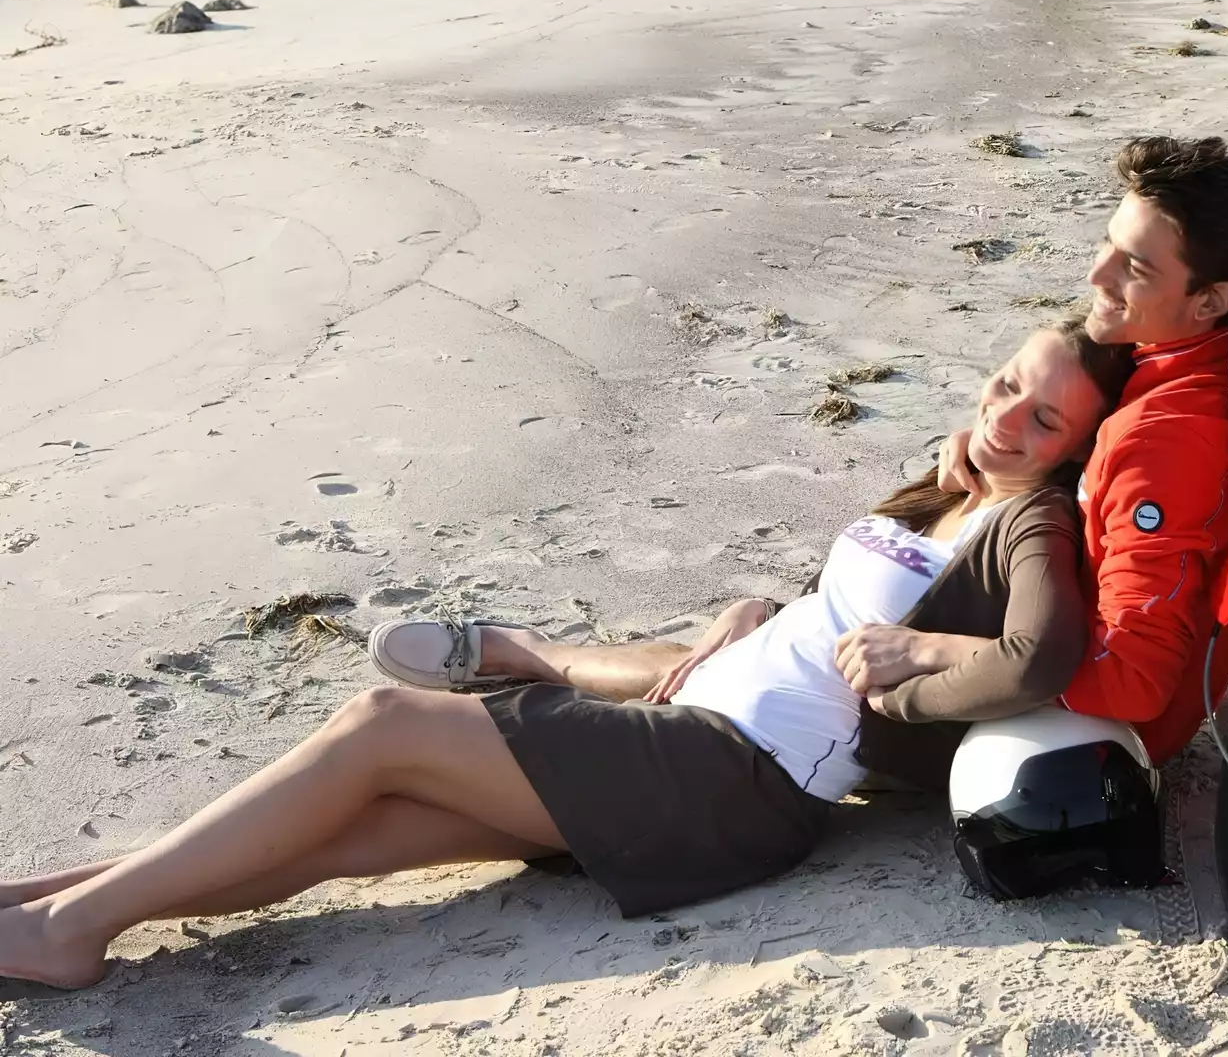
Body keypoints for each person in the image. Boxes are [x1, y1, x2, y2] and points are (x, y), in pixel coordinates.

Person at [0, 319, 1131, 991]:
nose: (1008, 419)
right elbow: (837, 611)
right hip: (690, 749)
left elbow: (1040, 658)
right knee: (359, 832)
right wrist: (762, 607)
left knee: (381, 726)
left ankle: (65, 933)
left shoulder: (1028, 522)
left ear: (1078, 451)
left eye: (1046, 421)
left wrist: (918, 652)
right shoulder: (953, 487)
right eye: (1007, 385)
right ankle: (64, 899)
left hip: (728, 777)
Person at [937, 136, 1228, 766]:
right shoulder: (1170, 362)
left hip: (1082, 728)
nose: (1096, 275)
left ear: (1211, 300)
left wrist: (940, 652)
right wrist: (991, 448)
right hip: (1040, 640)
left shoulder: (1165, 438)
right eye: (1106, 243)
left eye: (1134, 268)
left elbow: (1131, 682)